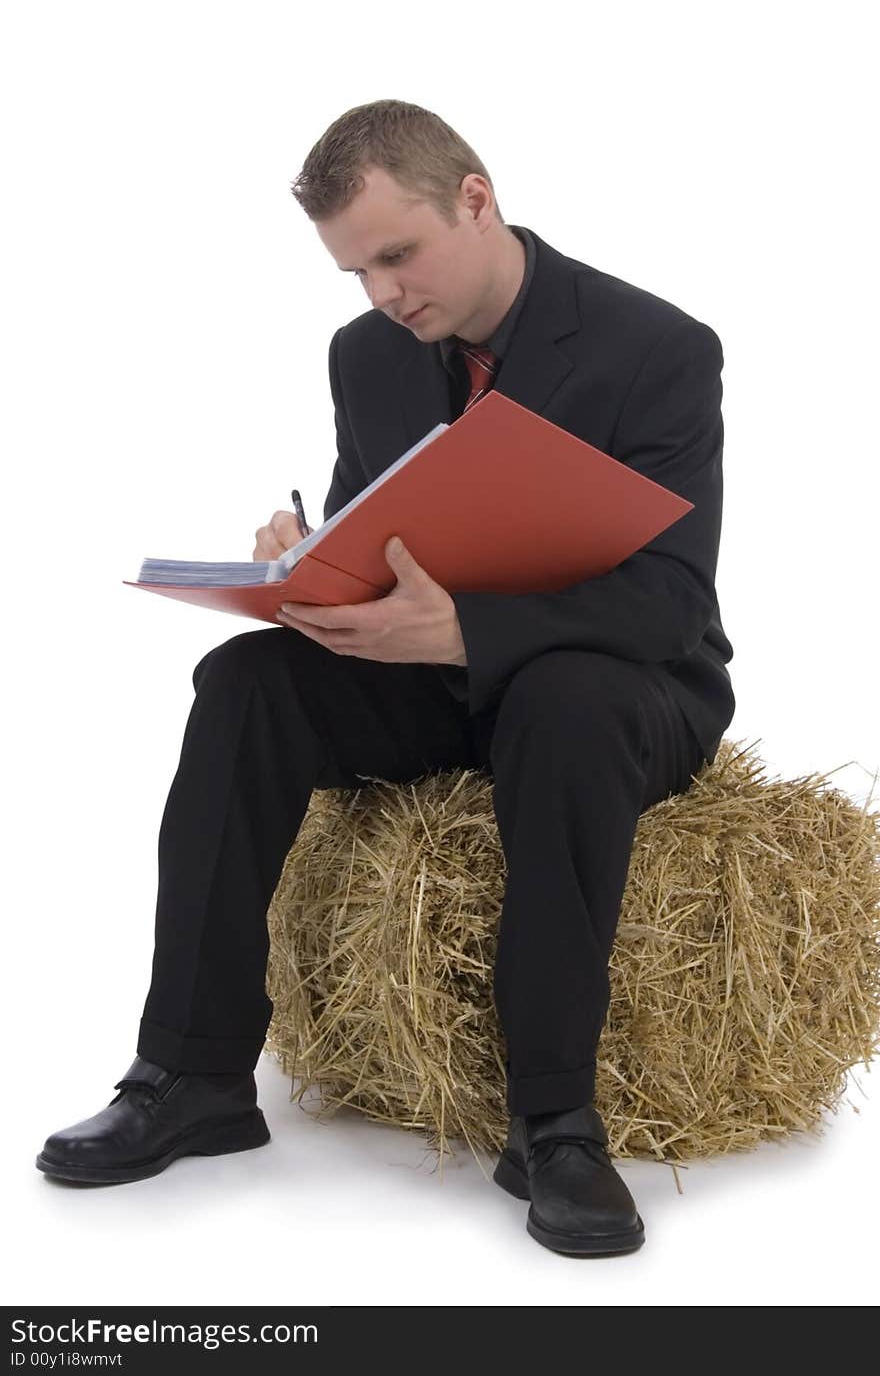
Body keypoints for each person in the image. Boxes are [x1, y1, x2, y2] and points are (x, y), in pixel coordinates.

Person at [35, 99, 735, 1259]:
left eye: (397, 255)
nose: (382, 295)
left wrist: (467, 631)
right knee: (245, 682)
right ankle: (195, 1073)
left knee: (561, 703)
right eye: (355, 271)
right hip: (440, 681)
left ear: (476, 196)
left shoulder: (656, 348)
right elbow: (392, 522)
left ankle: (552, 1120)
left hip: (621, 688)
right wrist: (308, 565)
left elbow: (668, 601)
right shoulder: (369, 354)